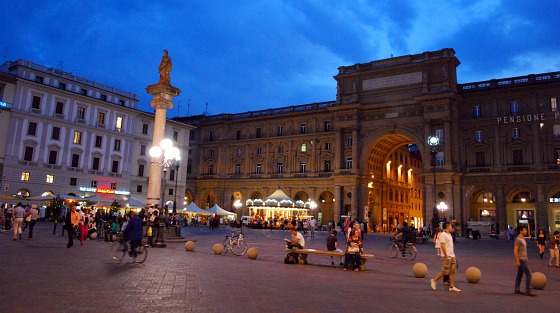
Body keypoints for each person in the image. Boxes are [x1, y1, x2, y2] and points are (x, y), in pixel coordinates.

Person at [430, 222, 460, 292]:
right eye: (450, 226)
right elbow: (442, 245)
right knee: (445, 271)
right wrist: (446, 255)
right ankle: (434, 280)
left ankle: (452, 286)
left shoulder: (449, 234)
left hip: (452, 255)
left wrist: (453, 255)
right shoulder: (443, 235)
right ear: (447, 226)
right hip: (447, 256)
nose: (451, 227)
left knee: (452, 271)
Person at [514, 225, 536, 296]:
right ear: (520, 231)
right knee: (529, 274)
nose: (526, 231)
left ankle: (517, 289)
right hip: (521, 259)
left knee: (519, 275)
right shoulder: (518, 239)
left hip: (524, 259)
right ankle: (528, 291)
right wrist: (517, 260)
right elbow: (515, 250)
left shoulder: (522, 239)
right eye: (525, 230)